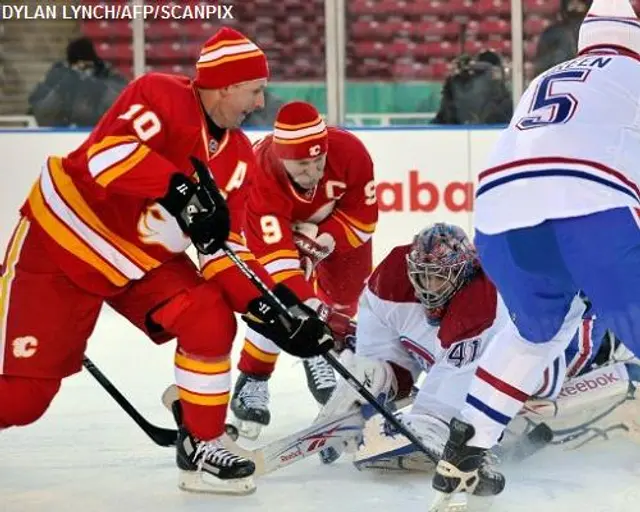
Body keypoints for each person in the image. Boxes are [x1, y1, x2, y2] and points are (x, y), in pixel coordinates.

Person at [0, 27, 333, 496]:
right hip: (64, 244)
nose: (261, 102)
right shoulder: (160, 95)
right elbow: (106, 156)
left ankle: (202, 442)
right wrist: (181, 189)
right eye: (256, 89)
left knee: (209, 315)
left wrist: (272, 308)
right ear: (226, 85)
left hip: (139, 264)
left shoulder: (238, 157)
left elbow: (225, 248)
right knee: (20, 403)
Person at [428, 0, 640, 509]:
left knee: (536, 331)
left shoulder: (548, 76)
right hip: (593, 201)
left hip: (501, 211)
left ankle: (467, 450)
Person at [316, 223, 637, 471]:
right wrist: (373, 377)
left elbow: (452, 382)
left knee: (560, 367)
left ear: (463, 272)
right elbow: (386, 337)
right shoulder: (392, 279)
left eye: (439, 278)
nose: (428, 288)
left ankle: (614, 354)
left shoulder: (483, 298)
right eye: (423, 277)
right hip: (507, 343)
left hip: (552, 351)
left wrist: (428, 423)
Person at [230, 101, 378, 439]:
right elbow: (277, 265)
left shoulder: (350, 151)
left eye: (318, 161)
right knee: (279, 301)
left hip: (333, 231)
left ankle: (321, 355)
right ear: (282, 157)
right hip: (279, 233)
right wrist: (309, 311)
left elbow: (362, 220)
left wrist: (321, 242)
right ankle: (253, 377)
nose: (312, 173)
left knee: (346, 298)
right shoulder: (260, 170)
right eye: (301, 164)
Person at [28, 37, 128, 127]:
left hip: (97, 129)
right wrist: (59, 90)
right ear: (70, 64)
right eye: (77, 68)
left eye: (87, 67)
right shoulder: (57, 74)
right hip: (60, 131)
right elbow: (40, 111)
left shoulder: (106, 73)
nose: (82, 73)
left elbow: (125, 103)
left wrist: (101, 89)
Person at [533, 0, 591, 77]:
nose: (575, 6)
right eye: (572, 2)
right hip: (559, 78)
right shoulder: (553, 32)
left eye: (579, 2)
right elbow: (541, 66)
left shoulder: (593, 31)